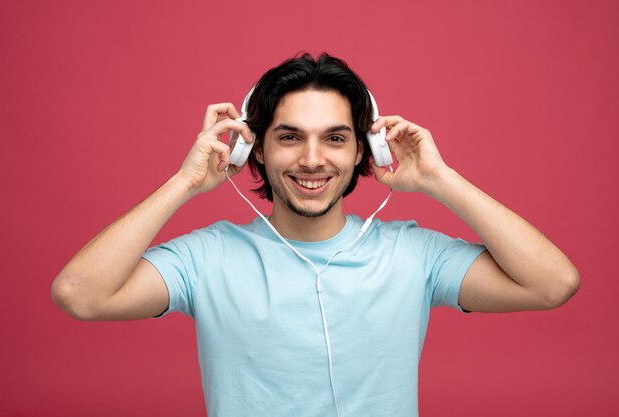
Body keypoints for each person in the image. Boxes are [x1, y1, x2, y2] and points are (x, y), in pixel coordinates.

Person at [51, 52, 579, 417]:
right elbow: (79, 294)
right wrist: (185, 182)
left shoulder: (413, 253)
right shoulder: (206, 257)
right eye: (288, 137)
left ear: (362, 153)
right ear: (253, 150)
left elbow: (553, 283)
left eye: (335, 138)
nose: (311, 159)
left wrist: (440, 180)